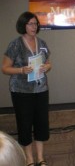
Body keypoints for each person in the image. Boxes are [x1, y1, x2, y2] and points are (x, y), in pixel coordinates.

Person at [2, 11, 51, 166]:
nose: (34, 26)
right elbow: (5, 68)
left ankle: (41, 158)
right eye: (30, 23)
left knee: (41, 124)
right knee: (25, 124)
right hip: (21, 91)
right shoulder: (15, 44)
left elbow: (49, 63)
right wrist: (21, 70)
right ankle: (29, 159)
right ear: (23, 25)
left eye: (35, 23)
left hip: (41, 89)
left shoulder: (42, 43)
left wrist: (46, 67)